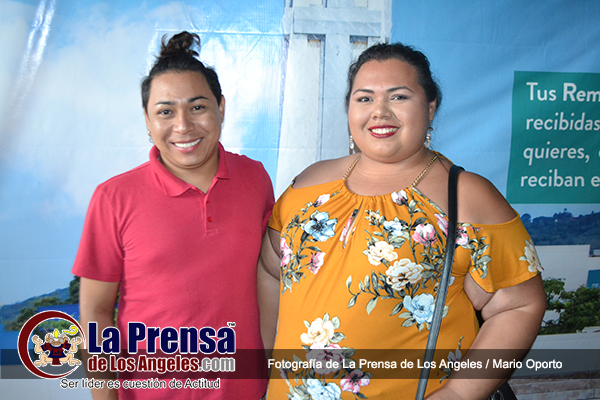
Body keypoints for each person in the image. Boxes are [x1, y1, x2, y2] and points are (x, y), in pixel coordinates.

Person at [257, 42, 546, 400]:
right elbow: (270, 269)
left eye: (398, 97)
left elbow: (519, 305)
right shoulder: (307, 185)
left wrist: (459, 393)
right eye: (364, 98)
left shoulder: (466, 197)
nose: (379, 111)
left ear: (430, 106)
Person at [73, 31, 274, 399]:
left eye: (197, 107)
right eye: (165, 111)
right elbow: (96, 312)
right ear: (148, 121)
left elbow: (269, 284)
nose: (183, 126)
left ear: (221, 108)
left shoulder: (255, 179)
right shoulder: (113, 197)